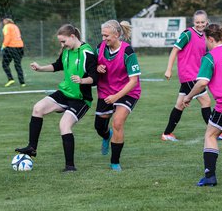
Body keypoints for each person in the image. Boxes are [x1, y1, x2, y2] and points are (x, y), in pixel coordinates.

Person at [15, 24, 98, 172]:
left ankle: (70, 166)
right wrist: (40, 68)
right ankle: (31, 148)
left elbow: (95, 78)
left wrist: (82, 80)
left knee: (64, 125)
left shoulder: (87, 53)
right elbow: (57, 65)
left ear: (73, 37)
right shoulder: (66, 51)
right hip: (64, 93)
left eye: (63, 41)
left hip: (81, 99)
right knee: (38, 108)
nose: (62, 45)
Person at [182, 24, 222, 186]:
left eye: (206, 39)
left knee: (210, 135)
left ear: (211, 39)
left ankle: (210, 176)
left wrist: (189, 96)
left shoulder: (209, 56)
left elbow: (202, 83)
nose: (205, 43)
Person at [94, 20, 141, 171]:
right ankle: (107, 136)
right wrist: (96, 66)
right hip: (105, 91)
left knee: (118, 122)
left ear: (117, 35)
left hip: (127, 91)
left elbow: (133, 81)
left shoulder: (128, 52)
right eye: (102, 35)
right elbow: (90, 65)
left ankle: (115, 162)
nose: (103, 39)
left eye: (106, 36)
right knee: (99, 127)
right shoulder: (100, 47)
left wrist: (116, 97)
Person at [162, 10, 212, 141]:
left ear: (206, 22)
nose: (200, 24)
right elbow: (174, 50)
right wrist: (169, 69)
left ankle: (167, 134)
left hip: (195, 75)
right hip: (190, 76)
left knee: (180, 105)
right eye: (197, 22)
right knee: (206, 101)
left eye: (202, 22)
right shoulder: (188, 33)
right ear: (193, 22)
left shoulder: (204, 36)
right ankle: (215, 133)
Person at [1, 16, 26, 87]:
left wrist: (4, 45)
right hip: (20, 47)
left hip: (11, 47)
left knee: (5, 64)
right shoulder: (15, 26)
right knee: (17, 64)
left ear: (5, 21)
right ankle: (22, 83)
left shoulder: (7, 26)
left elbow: (7, 37)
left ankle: (10, 79)